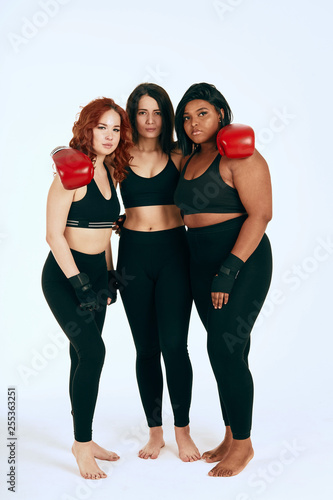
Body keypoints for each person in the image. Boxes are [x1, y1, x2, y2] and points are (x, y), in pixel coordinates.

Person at [174, 83, 273, 477]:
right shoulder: (188, 157)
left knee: (224, 348)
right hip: (198, 259)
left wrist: (228, 272)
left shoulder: (240, 154)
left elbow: (261, 215)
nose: (194, 122)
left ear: (220, 114)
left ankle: (244, 446)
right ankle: (232, 433)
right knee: (225, 351)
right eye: (186, 116)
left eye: (202, 113)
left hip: (240, 261)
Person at [41, 97, 132, 479]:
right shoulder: (71, 171)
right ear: (87, 128)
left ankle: (86, 437)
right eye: (102, 127)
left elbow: (104, 234)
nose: (109, 136)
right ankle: (81, 446)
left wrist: (109, 274)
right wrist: (78, 283)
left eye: (116, 129)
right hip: (64, 276)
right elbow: (53, 235)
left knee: (81, 357)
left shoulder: (112, 171)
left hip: (97, 273)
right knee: (93, 353)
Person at [115, 83, 200, 462]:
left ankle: (183, 432)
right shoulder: (118, 155)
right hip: (132, 256)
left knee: (174, 347)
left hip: (173, 255)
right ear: (132, 116)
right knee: (146, 349)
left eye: (157, 112)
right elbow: (90, 185)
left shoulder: (180, 156)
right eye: (142, 112)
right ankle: (155, 433)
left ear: (166, 117)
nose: (150, 120)